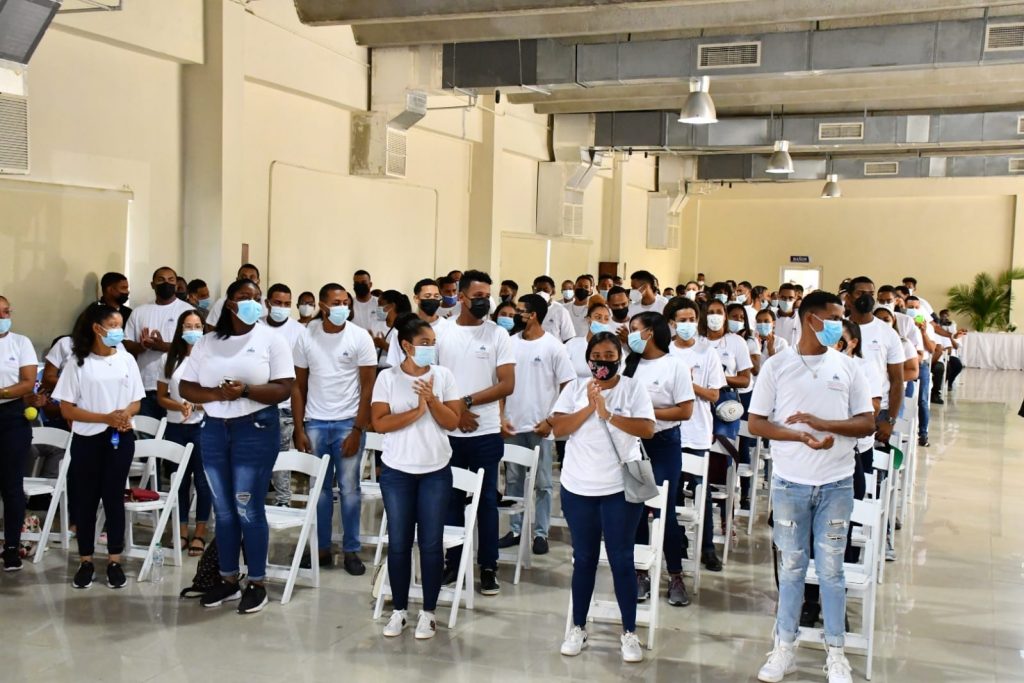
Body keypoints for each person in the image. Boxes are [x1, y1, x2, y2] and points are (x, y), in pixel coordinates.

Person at [748, 289, 875, 683]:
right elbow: (756, 423)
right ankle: (784, 647)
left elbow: (867, 422)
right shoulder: (778, 366)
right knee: (791, 567)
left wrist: (823, 425)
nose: (840, 324)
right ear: (811, 319)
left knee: (832, 570)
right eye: (833, 317)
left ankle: (836, 653)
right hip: (791, 483)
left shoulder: (848, 367)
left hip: (836, 483)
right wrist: (799, 436)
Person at [179, 279, 295, 613]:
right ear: (230, 304)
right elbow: (186, 387)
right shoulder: (208, 342)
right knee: (224, 510)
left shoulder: (271, 340)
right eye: (245, 297)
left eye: (257, 298)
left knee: (248, 506)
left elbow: (284, 388)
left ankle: (257, 582)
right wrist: (218, 394)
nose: (253, 303)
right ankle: (228, 579)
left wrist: (245, 391)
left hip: (255, 428)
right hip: (215, 428)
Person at [550, 332, 655, 664]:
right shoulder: (574, 389)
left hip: (619, 489)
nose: (603, 362)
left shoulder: (633, 388)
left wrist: (608, 413)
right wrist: (590, 406)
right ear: (588, 359)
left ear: (619, 358)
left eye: (610, 356)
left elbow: (647, 429)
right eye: (597, 357)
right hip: (578, 487)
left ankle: (629, 632)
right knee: (584, 559)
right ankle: (578, 627)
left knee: (622, 559)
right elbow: (558, 429)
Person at [373, 313, 463, 640]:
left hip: (435, 471)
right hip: (397, 471)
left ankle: (428, 612)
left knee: (430, 543)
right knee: (398, 542)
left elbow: (452, 421)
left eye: (433, 343)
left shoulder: (444, 376)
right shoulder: (388, 378)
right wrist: (416, 411)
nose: (430, 348)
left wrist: (431, 399)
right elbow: (380, 423)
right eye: (424, 343)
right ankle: (399, 610)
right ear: (407, 346)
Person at [53, 304, 144, 590]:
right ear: (97, 328)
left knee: (114, 497)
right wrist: (105, 418)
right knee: (86, 499)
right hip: (87, 439)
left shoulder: (126, 359)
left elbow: (136, 400)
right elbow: (67, 409)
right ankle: (86, 560)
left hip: (120, 437)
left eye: (120, 326)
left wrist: (123, 415)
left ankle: (115, 560)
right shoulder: (77, 363)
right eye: (113, 326)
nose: (118, 332)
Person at [437, 270, 516, 595]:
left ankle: (488, 566)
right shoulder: (442, 332)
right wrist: (456, 413)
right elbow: (432, 379)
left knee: (485, 501)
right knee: (451, 499)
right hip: (449, 431)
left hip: (485, 431)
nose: (484, 301)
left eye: (487, 296)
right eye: (478, 296)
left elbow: (507, 384)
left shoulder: (497, 334)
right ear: (461, 297)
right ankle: (454, 562)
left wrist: (467, 402)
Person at [292, 283, 376, 574]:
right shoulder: (307, 335)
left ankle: (351, 550)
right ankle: (322, 548)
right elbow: (298, 386)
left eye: (346, 303)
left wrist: (357, 429)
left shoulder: (359, 337)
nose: (343, 307)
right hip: (315, 422)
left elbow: (368, 388)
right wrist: (299, 427)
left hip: (348, 423)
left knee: (350, 489)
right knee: (320, 490)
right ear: (323, 305)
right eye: (336, 303)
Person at [624, 311, 695, 606]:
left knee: (663, 509)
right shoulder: (629, 364)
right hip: (634, 444)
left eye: (635, 329)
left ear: (650, 332)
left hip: (664, 443)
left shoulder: (674, 366)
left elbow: (685, 410)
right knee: (637, 509)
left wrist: (646, 412)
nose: (630, 334)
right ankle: (640, 572)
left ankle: (675, 574)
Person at [499, 294, 574, 555]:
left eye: (519, 311)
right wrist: (500, 417)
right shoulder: (509, 344)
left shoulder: (553, 347)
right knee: (513, 481)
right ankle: (516, 529)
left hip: (541, 426)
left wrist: (552, 420)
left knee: (543, 483)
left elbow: (568, 385)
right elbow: (500, 383)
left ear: (532, 315)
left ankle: (540, 533)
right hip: (513, 425)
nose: (514, 315)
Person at [665, 296, 726, 577]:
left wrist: (688, 384)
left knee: (702, 491)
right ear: (672, 323)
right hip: (670, 431)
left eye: (692, 320)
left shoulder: (707, 352)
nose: (688, 324)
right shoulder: (664, 352)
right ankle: (677, 543)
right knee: (672, 492)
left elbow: (713, 394)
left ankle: (707, 547)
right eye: (682, 320)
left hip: (698, 430)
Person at [156, 310, 210, 557]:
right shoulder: (169, 359)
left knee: (203, 481)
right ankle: (181, 530)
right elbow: (161, 397)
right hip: (176, 426)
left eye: (197, 326)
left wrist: (196, 406)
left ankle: (200, 531)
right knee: (179, 480)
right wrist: (180, 406)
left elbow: (217, 397)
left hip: (203, 426)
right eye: (188, 326)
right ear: (180, 329)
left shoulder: (210, 357)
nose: (193, 331)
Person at [123, 266, 195, 419]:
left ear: (176, 284)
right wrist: (141, 346)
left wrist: (163, 346)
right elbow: (127, 343)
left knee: (174, 431)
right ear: (152, 284)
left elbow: (195, 346)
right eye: (161, 280)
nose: (166, 283)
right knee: (145, 432)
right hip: (146, 385)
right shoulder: (139, 312)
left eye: (171, 280)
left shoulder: (188, 311)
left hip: (176, 387)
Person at [0, 296, 39, 571]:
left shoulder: (21, 342)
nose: (4, 317)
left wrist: (2, 392)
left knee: (12, 485)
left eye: (6, 312)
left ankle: (12, 547)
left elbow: (27, 383)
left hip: (12, 416)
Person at [846, 277, 905, 448]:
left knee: (870, 459)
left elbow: (897, 380)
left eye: (870, 294)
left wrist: (890, 420)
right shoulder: (839, 327)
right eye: (860, 293)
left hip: (879, 410)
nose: (866, 298)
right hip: (842, 406)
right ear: (848, 298)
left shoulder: (887, 333)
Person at [264, 283, 306, 506]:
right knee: (258, 455)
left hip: (285, 404)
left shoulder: (299, 331)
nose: (282, 307)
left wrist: (300, 424)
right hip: (257, 403)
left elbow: (301, 377)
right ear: (267, 303)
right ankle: (257, 499)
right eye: (277, 303)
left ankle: (283, 501)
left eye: (286, 304)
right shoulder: (256, 327)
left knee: (281, 456)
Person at [385, 279, 451, 368]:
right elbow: (395, 364)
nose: (432, 299)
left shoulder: (449, 328)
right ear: (416, 299)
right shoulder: (402, 328)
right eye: (427, 296)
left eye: (436, 296)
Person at [565, 302, 613, 380]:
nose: (602, 321)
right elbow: (562, 374)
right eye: (598, 317)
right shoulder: (571, 345)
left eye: (606, 319)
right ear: (588, 319)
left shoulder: (614, 348)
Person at [205, 263, 261, 328]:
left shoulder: (265, 303)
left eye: (252, 278)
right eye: (243, 277)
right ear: (237, 279)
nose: (247, 280)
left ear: (258, 281)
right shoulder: (222, 302)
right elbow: (211, 327)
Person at [370, 290, 412, 370]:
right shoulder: (375, 324)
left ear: (392, 306)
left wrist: (384, 345)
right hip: (376, 369)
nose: (377, 307)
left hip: (397, 370)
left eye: (380, 304)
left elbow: (407, 354)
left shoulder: (406, 327)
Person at [532, 276, 575, 342]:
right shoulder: (528, 309)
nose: (542, 293)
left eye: (546, 290)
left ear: (553, 291)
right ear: (533, 290)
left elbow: (568, 338)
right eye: (538, 290)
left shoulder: (561, 311)